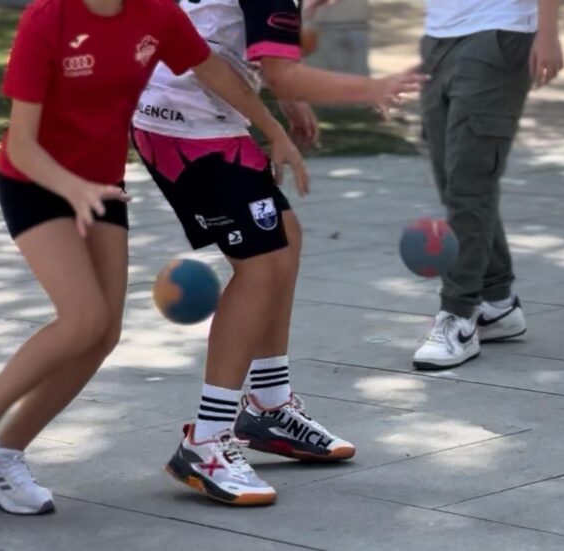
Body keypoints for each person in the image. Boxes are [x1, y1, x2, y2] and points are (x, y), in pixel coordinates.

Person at [0, 0, 306, 515]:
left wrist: (274, 128)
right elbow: (21, 145)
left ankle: (4, 454)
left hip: (102, 187)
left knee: (103, 334)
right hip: (35, 183)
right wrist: (75, 189)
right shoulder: (48, 18)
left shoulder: (156, 14)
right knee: (83, 319)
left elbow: (212, 69)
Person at [131, 0, 424, 506]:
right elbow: (279, 71)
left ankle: (268, 407)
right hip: (186, 124)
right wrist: (369, 89)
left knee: (284, 240)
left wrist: (280, 103)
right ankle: (205, 442)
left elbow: (251, 46)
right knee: (261, 266)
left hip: (199, 112)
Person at [413, 0, 564, 370]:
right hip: (438, 36)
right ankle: (497, 304)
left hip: (498, 31)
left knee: (468, 182)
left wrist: (547, 31)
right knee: (453, 180)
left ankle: (458, 315)